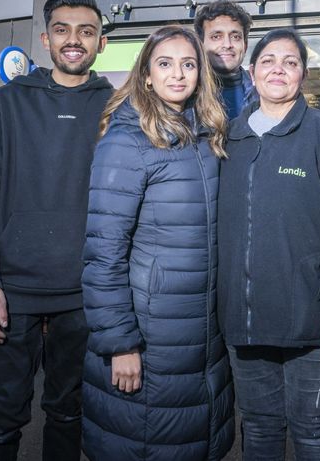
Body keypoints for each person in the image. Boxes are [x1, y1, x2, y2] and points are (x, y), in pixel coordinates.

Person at [218, 28, 320, 460]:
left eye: (290, 62)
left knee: (315, 433)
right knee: (258, 430)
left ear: (303, 75)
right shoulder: (226, 142)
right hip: (245, 323)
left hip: (315, 326)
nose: (278, 69)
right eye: (268, 60)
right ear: (251, 73)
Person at [0, 0, 112, 461]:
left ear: (100, 42)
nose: (75, 40)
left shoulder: (117, 108)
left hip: (85, 292)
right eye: (64, 30)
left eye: (86, 31)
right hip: (12, 290)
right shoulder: (7, 104)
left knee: (70, 414)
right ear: (46, 39)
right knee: (0, 421)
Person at [81, 25, 235, 460]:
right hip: (148, 337)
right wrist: (120, 343)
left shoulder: (207, 137)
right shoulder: (127, 142)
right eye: (165, 64)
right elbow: (102, 254)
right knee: (147, 443)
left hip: (200, 336)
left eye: (188, 64)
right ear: (146, 75)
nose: (178, 74)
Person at [194, 0, 254, 118]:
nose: (227, 45)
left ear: (245, 45)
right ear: (201, 45)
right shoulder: (189, 95)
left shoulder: (262, 94)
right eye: (216, 37)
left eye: (235, 37)